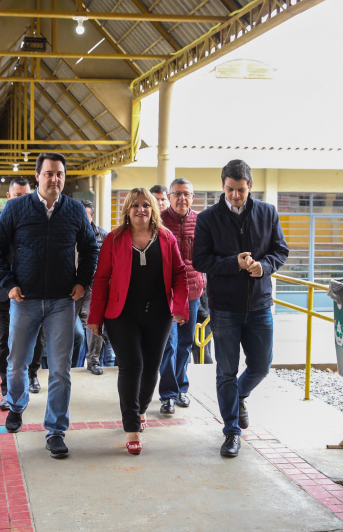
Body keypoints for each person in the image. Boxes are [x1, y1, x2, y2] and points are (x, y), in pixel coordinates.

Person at [0, 153, 99, 459]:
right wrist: (8, 283)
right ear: (37, 176)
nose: (55, 179)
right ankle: (17, 405)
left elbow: (91, 248)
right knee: (17, 362)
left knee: (61, 370)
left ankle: (56, 430)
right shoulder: (16, 208)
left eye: (60, 174)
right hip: (25, 301)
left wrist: (83, 281)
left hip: (63, 302)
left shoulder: (75, 210)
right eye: (49, 173)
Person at [193, 159, 289, 458]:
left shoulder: (267, 212)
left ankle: (239, 396)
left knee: (261, 365)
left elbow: (280, 250)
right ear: (222, 185)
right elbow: (200, 261)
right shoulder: (208, 218)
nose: (235, 196)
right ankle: (231, 432)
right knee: (226, 372)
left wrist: (265, 267)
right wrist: (234, 263)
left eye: (241, 190)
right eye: (230, 190)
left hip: (260, 304)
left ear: (250, 187)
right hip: (224, 308)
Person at [88, 188, 188, 455]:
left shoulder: (166, 238)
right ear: (127, 210)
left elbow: (179, 274)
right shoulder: (114, 239)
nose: (141, 210)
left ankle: (141, 408)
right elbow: (100, 280)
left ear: (153, 209)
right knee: (131, 367)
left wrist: (179, 307)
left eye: (146, 205)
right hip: (122, 315)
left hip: (158, 315)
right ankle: (131, 426)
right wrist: (94, 318)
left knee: (152, 367)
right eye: (135, 205)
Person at [0, 178, 36, 411]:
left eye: (25, 194)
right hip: (2, 292)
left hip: (32, 292)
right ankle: (6, 388)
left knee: (33, 340)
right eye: (17, 194)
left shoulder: (38, 218)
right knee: (4, 341)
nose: (21, 198)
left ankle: (30, 376)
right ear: (9, 197)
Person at [158, 178, 205, 414]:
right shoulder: (159, 222)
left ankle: (180, 389)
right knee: (169, 344)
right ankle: (167, 394)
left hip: (192, 292)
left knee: (186, 343)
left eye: (186, 194)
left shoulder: (201, 222)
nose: (181, 198)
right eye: (176, 194)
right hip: (165, 294)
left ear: (192, 197)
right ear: (169, 196)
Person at [77, 199, 110, 375]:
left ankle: (93, 362)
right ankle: (63, 363)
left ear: (92, 216)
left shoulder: (103, 236)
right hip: (72, 287)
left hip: (94, 286)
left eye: (85, 216)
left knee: (94, 323)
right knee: (66, 327)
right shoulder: (67, 232)